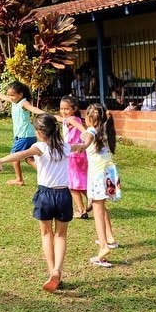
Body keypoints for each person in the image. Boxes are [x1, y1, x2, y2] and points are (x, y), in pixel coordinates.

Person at [0, 114, 72, 292]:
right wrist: (90, 133)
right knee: (60, 235)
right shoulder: (66, 147)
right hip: (63, 195)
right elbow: (83, 145)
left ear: (39, 132)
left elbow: (20, 154)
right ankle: (57, 271)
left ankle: (51, 271)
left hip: (45, 195)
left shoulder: (38, 147)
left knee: (47, 234)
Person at [69, 104, 121, 268]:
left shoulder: (91, 132)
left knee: (98, 213)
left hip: (98, 176)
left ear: (89, 118)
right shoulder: (106, 129)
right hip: (109, 174)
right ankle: (109, 239)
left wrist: (74, 147)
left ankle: (103, 246)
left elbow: (85, 143)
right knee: (101, 207)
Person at [0, 82, 39, 185]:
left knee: (14, 157)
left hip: (24, 136)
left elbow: (33, 109)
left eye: (12, 95)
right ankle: (46, 174)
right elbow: (3, 96)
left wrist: (47, 114)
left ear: (20, 94)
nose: (10, 97)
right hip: (29, 135)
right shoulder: (15, 101)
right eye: (9, 95)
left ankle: (19, 179)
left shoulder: (23, 103)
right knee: (29, 159)